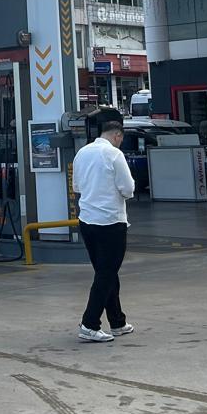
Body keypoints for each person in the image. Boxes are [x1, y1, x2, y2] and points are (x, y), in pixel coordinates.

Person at [71, 119, 136, 343]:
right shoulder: (114, 155)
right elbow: (128, 189)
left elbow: (76, 187)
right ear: (117, 136)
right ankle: (89, 324)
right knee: (106, 274)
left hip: (87, 221)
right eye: (121, 139)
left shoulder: (82, 153)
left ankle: (117, 321)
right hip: (110, 222)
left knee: (106, 272)